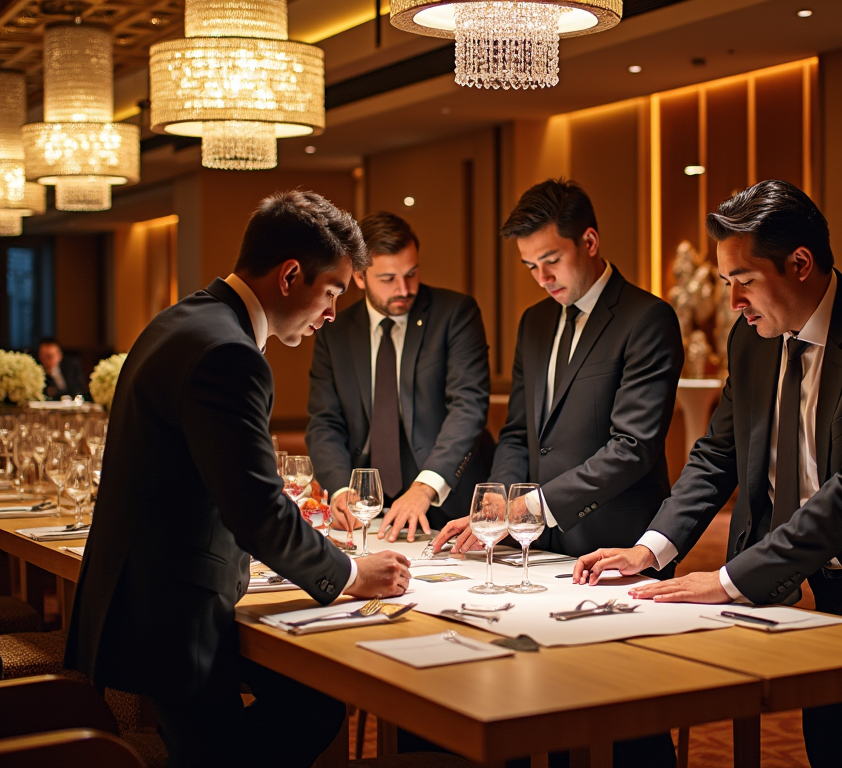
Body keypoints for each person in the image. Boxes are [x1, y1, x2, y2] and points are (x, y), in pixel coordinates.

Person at [573, 180, 842, 768]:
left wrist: (725, 580)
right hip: (825, 587)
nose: (733, 303)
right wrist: (651, 548)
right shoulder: (754, 340)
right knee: (828, 748)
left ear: (800, 264)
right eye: (726, 283)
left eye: (744, 281)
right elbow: (717, 454)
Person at [65, 191, 412, 768]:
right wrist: (350, 573)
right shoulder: (229, 353)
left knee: (312, 692)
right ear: (291, 274)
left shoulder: (183, 319)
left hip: (144, 598)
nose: (331, 314)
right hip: (173, 619)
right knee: (310, 706)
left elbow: (213, 485)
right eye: (330, 292)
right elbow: (254, 511)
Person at [434, 178, 683, 768]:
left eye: (551, 260)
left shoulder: (647, 319)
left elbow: (632, 447)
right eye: (530, 266)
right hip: (538, 545)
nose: (542, 277)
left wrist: (529, 507)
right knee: (535, 703)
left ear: (590, 241)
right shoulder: (534, 323)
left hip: (617, 543)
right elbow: (519, 430)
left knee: (624, 722)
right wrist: (497, 507)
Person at [306, 211, 491, 543]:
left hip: (448, 505)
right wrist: (342, 491)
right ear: (359, 277)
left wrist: (425, 487)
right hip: (369, 511)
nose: (404, 289)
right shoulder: (335, 331)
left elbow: (468, 407)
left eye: (411, 273)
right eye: (388, 278)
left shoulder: (456, 314)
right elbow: (325, 421)